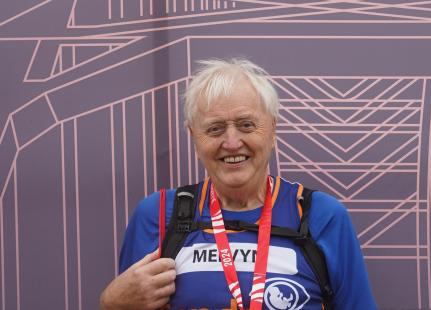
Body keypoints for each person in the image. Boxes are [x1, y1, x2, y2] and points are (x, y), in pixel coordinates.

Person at [100, 58, 377, 310]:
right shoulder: (158, 214)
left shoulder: (322, 216)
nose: (232, 143)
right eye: (215, 128)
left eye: (246, 125)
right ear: (194, 137)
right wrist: (112, 304)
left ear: (272, 130)